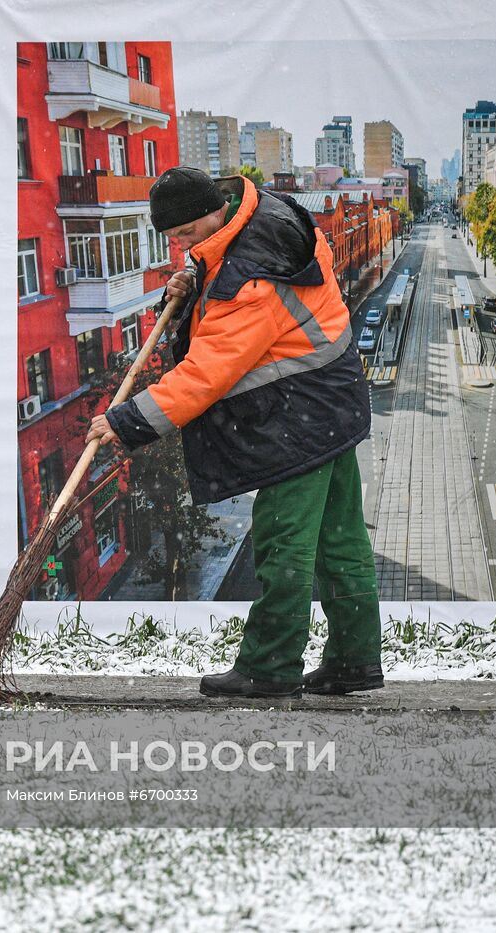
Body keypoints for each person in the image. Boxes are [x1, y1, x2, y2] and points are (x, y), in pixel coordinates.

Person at [86, 167, 382, 699]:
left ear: (211, 213)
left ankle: (270, 668)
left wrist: (125, 420)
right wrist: (196, 276)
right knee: (340, 542)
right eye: (172, 239)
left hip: (299, 417)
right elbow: (230, 287)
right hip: (329, 401)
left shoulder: (249, 278)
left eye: (186, 235)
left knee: (283, 546)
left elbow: (206, 373)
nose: (179, 246)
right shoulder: (265, 217)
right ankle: (354, 660)